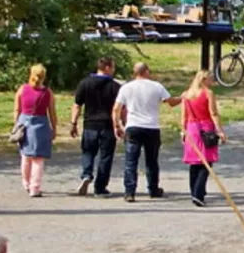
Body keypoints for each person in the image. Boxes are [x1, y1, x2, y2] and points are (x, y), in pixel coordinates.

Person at [113, 62, 180, 202]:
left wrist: (118, 125)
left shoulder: (126, 87)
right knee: (152, 160)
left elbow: (116, 109)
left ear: (134, 72)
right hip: (151, 127)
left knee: (131, 161)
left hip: (133, 127)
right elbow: (171, 102)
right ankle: (153, 188)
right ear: (147, 72)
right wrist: (183, 97)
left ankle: (130, 191)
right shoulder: (156, 86)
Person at [71, 57, 121, 197]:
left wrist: (73, 123)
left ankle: (86, 174)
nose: (114, 70)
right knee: (106, 156)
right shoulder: (115, 86)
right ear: (107, 68)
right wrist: (120, 124)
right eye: (113, 67)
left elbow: (77, 105)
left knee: (88, 152)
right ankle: (100, 188)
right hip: (107, 125)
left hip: (90, 124)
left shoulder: (85, 83)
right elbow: (119, 108)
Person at [179, 71, 226, 208]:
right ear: (204, 80)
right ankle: (198, 194)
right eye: (210, 79)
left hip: (191, 128)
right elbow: (213, 113)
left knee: (194, 162)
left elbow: (183, 115)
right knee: (206, 162)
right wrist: (219, 130)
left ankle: (194, 191)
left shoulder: (187, 94)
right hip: (205, 127)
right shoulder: (208, 93)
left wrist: (183, 130)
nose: (212, 82)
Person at [12, 64, 57, 197]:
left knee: (25, 156)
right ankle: (35, 187)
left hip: (24, 123)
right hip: (41, 125)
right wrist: (54, 128)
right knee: (38, 158)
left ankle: (26, 182)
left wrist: (16, 125)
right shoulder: (47, 93)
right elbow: (52, 113)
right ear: (44, 76)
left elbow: (16, 110)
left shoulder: (22, 89)